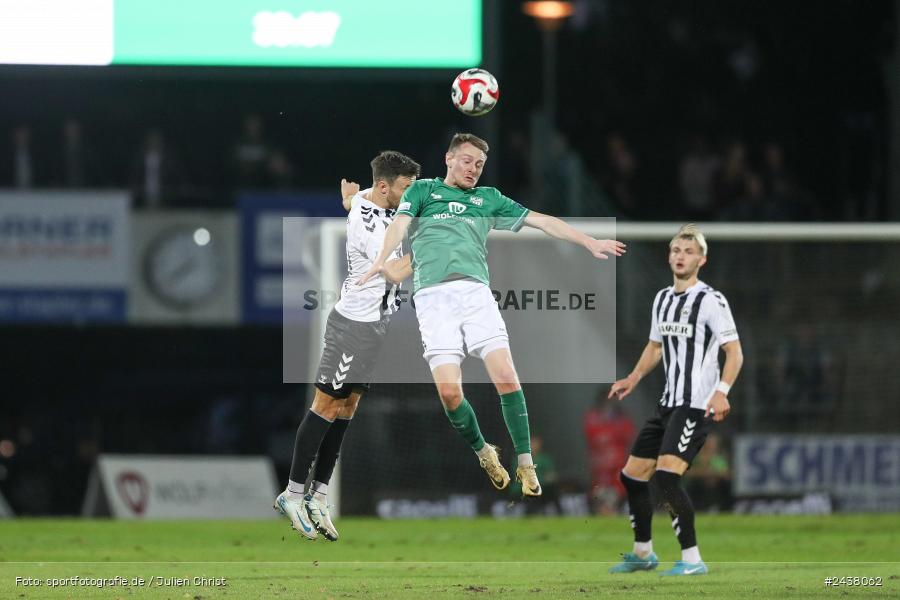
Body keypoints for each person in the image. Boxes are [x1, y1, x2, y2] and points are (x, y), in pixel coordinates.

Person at [359, 132, 625, 498]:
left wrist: (587, 241)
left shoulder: (488, 199)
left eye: (480, 165)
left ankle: (526, 464)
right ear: (449, 159)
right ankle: (484, 452)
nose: (473, 169)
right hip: (433, 300)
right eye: (467, 161)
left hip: (474, 294)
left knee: (505, 375)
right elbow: (399, 225)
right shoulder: (422, 192)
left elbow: (543, 221)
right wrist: (381, 261)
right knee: (450, 394)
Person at [274, 150, 421, 542]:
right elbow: (393, 270)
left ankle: (319, 495)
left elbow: (358, 199)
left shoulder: (367, 200)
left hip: (375, 328)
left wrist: (349, 199)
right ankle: (291, 494)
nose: (409, 197)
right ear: (386, 187)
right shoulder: (372, 230)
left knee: (347, 407)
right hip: (352, 326)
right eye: (405, 189)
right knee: (325, 405)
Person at [607, 224, 743, 576]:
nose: (680, 257)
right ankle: (643, 553)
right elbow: (655, 346)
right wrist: (634, 377)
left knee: (666, 477)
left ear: (702, 259)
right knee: (632, 476)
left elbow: (735, 352)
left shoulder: (711, 301)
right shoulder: (663, 299)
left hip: (695, 406)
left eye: (688, 252)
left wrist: (722, 392)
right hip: (667, 404)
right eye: (676, 251)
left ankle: (693, 561)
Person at [583, 390, 635, 514]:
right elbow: (593, 436)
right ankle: (602, 510)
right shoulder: (593, 416)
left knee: (618, 489)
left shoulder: (621, 417)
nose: (611, 402)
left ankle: (613, 510)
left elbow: (628, 434)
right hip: (600, 464)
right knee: (599, 490)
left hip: (618, 462)